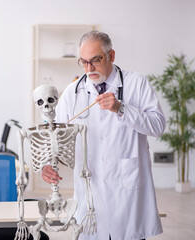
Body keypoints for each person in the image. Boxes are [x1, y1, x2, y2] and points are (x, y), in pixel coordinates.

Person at [41, 30, 165, 240]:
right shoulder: (73, 93)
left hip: (128, 195)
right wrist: (47, 163)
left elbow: (158, 126)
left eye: (96, 60)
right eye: (83, 62)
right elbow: (57, 138)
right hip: (90, 195)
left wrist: (122, 109)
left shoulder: (136, 84)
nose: (89, 69)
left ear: (112, 56)